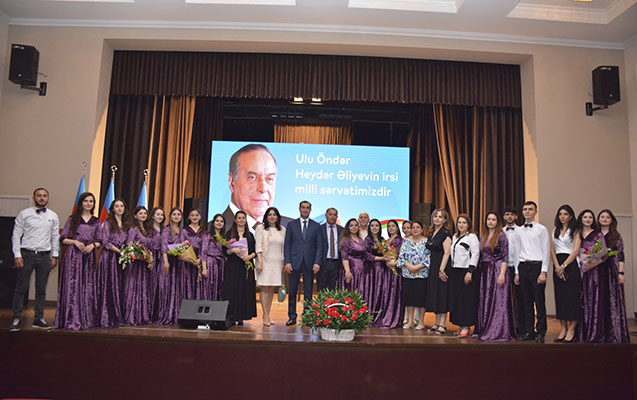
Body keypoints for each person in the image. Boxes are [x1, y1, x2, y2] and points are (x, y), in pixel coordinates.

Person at [9, 187, 60, 332]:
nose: (42, 198)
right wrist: (17, 255)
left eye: (44, 196)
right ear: (33, 198)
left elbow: (55, 236)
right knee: (21, 287)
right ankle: (17, 317)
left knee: (41, 288)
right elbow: (16, 235)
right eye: (39, 195)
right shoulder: (24, 214)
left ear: (48, 198)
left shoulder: (53, 216)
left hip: (44, 256)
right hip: (27, 254)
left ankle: (39, 318)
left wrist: (55, 256)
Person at [55, 192, 101, 330]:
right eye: (86, 201)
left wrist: (92, 245)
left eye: (91, 201)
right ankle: (71, 318)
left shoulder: (96, 221)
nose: (88, 203)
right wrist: (75, 242)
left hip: (89, 256)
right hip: (74, 256)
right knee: (73, 286)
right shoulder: (72, 219)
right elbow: (62, 238)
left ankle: (87, 319)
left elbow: (100, 240)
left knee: (88, 286)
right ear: (81, 203)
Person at [222, 144, 291, 233]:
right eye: (252, 178)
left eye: (270, 179)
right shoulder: (212, 231)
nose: (263, 188)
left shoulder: (292, 228)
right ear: (232, 182)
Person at [475, 212, 515, 342]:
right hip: (485, 272)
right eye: (489, 219)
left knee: (498, 301)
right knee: (486, 300)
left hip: (497, 269)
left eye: (493, 219)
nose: (490, 221)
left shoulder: (501, 236)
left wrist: (502, 274)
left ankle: (497, 331)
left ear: (497, 222)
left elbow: (505, 256)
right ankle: (484, 328)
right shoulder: (483, 235)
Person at [515, 201, 550, 344]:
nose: (527, 211)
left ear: (536, 212)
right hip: (523, 267)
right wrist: (517, 272)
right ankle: (529, 331)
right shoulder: (518, 230)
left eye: (530, 209)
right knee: (526, 302)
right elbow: (517, 251)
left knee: (539, 301)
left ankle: (541, 332)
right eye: (525, 209)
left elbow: (546, 250)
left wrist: (544, 271)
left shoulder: (542, 229)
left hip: (537, 266)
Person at [283, 201, 323, 326]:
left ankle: (307, 316)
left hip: (310, 263)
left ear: (310, 210)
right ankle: (292, 316)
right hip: (294, 262)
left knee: (308, 292)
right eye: (303, 207)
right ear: (299, 209)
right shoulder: (291, 225)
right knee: (292, 291)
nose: (305, 210)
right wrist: (287, 262)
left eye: (307, 208)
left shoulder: (316, 226)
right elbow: (287, 244)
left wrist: (317, 263)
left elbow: (319, 246)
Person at [550, 205, 582, 343]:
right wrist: (557, 266)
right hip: (557, 264)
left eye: (565, 214)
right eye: (560, 214)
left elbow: (576, 250)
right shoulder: (555, 230)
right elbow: (552, 250)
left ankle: (572, 329)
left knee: (572, 298)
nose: (562, 216)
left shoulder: (575, 230)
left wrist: (564, 266)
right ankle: (563, 328)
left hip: (570, 264)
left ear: (570, 216)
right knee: (561, 297)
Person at [597, 209, 630, 343]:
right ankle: (599, 333)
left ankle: (614, 333)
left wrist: (621, 273)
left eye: (607, 217)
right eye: (602, 216)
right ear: (598, 219)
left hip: (612, 271)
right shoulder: (595, 235)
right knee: (599, 301)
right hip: (597, 271)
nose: (605, 219)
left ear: (611, 220)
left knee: (612, 302)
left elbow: (620, 255)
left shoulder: (616, 236)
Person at [95, 198, 128, 328]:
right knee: (109, 286)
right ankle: (107, 316)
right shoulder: (108, 223)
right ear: (112, 209)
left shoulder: (126, 224)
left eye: (121, 206)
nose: (119, 208)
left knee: (119, 286)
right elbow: (105, 242)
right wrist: (119, 251)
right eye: (117, 206)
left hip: (122, 259)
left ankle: (119, 314)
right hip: (110, 257)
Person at [577, 209, 608, 343]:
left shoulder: (597, 234)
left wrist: (592, 264)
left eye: (590, 217)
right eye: (585, 217)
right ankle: (582, 332)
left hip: (594, 272)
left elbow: (604, 254)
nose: (588, 219)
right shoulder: (577, 233)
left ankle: (594, 332)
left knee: (594, 299)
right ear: (581, 219)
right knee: (581, 301)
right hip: (580, 271)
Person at [223, 210, 257, 325]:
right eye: (239, 218)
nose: (241, 220)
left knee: (244, 290)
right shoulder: (229, 234)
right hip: (233, 266)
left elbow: (255, 251)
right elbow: (225, 251)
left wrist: (249, 257)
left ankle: (242, 316)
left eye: (243, 218)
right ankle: (232, 316)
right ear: (235, 220)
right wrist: (233, 250)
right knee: (232, 290)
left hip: (246, 266)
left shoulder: (250, 235)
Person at [122, 206, 155, 326]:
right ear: (135, 216)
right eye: (140, 213)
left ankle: (142, 316)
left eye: (145, 213)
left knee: (143, 289)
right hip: (135, 265)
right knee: (133, 288)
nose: (143, 215)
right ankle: (132, 316)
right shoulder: (133, 229)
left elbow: (150, 246)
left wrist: (150, 257)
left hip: (145, 265)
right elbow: (129, 246)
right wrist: (140, 256)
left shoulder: (147, 230)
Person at [449, 214, 480, 337]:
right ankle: (460, 325)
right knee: (458, 299)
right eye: (459, 222)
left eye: (464, 222)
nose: (461, 225)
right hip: (455, 271)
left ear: (468, 225)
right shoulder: (454, 236)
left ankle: (466, 326)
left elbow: (475, 254)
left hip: (466, 271)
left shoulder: (472, 237)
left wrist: (470, 271)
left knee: (466, 300)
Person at [396, 220, 429, 330]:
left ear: (422, 230)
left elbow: (428, 258)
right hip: (408, 274)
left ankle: (421, 322)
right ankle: (410, 321)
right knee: (408, 299)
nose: (415, 229)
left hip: (421, 274)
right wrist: (409, 266)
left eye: (417, 227)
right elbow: (401, 256)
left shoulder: (426, 242)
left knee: (420, 299)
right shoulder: (406, 241)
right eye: (413, 227)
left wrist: (417, 267)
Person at [255, 207, 286, 326]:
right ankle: (265, 314)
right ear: (266, 217)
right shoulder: (260, 228)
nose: (272, 217)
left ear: (278, 217)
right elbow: (258, 245)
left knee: (272, 289)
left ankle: (268, 313)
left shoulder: (282, 229)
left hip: (277, 262)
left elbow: (284, 247)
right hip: (264, 261)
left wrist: (283, 262)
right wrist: (260, 261)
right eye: (270, 215)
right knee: (264, 288)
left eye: (274, 214)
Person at [425, 209, 452, 335]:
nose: (437, 219)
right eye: (435, 216)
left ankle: (442, 324)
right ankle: (436, 323)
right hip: (433, 266)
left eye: (440, 217)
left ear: (444, 220)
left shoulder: (445, 233)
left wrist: (442, 270)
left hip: (442, 266)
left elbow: (447, 253)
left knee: (442, 294)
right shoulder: (431, 232)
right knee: (435, 294)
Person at [179, 209, 209, 304]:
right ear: (189, 217)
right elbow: (181, 246)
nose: (195, 217)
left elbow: (204, 249)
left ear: (200, 217)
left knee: (197, 287)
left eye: (197, 215)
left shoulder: (204, 232)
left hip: (198, 263)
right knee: (186, 286)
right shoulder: (184, 230)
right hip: (186, 263)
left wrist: (200, 260)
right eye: (192, 215)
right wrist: (187, 258)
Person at [380, 219, 404, 329]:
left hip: (396, 270)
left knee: (395, 292)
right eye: (389, 226)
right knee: (387, 293)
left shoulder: (400, 240)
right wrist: (386, 260)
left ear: (397, 228)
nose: (391, 228)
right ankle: (386, 317)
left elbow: (401, 254)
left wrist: (394, 263)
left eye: (393, 226)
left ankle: (394, 318)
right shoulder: (386, 241)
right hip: (387, 270)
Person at [502, 206, 523, 335]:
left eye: (512, 214)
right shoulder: (500, 231)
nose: (509, 216)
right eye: (507, 214)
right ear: (504, 217)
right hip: (503, 267)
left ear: (516, 217)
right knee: (504, 298)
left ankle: (519, 327)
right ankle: (505, 326)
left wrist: (517, 271)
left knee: (519, 298)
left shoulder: (521, 231)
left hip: (518, 267)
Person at [364, 218, 389, 327]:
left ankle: (380, 316)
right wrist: (381, 258)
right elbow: (366, 255)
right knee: (372, 292)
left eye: (377, 225)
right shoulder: (367, 240)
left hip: (382, 270)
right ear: (369, 228)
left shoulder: (382, 239)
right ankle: (371, 317)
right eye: (372, 225)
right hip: (371, 270)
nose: (374, 228)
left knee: (381, 292)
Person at [337, 218, 370, 297]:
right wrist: (347, 271)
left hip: (361, 270)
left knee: (360, 292)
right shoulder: (345, 240)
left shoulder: (360, 239)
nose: (354, 227)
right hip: (351, 269)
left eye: (356, 225)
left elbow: (365, 254)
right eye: (351, 226)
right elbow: (344, 257)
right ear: (348, 228)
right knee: (350, 291)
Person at [163, 207, 185, 325]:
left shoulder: (183, 230)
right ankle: (168, 314)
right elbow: (163, 246)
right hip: (169, 261)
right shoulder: (166, 229)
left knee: (179, 287)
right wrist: (166, 262)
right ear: (170, 216)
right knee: (169, 288)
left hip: (180, 262)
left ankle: (178, 313)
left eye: (178, 214)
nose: (176, 216)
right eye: (174, 214)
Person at [148, 207, 169, 324]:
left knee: (161, 286)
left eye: (162, 215)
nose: (160, 217)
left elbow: (165, 246)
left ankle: (158, 314)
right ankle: (149, 313)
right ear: (152, 216)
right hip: (150, 258)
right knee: (150, 285)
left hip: (162, 258)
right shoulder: (148, 229)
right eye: (158, 214)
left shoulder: (165, 229)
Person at [318, 207, 343, 291]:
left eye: (334, 215)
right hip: (323, 263)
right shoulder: (319, 229)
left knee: (334, 289)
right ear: (326, 216)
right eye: (330, 214)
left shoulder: (342, 230)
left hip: (337, 264)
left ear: (337, 217)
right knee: (322, 288)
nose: (332, 216)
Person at [204, 214, 226, 302]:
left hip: (221, 264)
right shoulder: (208, 235)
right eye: (217, 221)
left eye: (221, 221)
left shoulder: (224, 237)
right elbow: (203, 252)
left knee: (220, 287)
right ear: (213, 223)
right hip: (210, 263)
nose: (219, 223)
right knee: (209, 286)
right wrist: (204, 268)